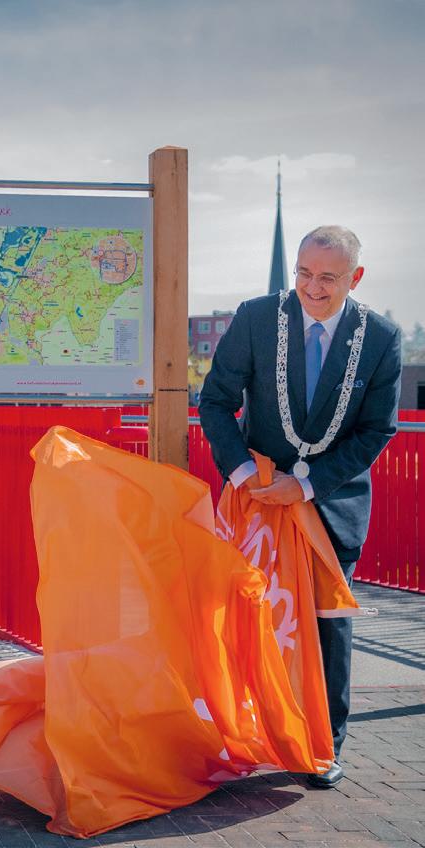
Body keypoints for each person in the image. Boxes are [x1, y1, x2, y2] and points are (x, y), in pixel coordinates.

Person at [199, 225, 402, 788]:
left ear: (355, 277)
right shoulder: (257, 317)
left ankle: (323, 746)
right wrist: (244, 474)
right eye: (304, 273)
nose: (312, 288)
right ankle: (244, 732)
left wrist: (307, 486)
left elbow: (376, 430)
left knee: (327, 626)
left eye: (328, 278)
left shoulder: (381, 337)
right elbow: (215, 401)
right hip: (257, 501)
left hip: (331, 506)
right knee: (246, 616)